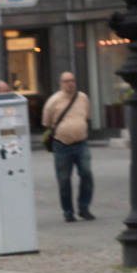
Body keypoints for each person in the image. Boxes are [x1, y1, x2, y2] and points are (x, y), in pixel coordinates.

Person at [42, 72, 94, 222]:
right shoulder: (53, 101)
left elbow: (87, 116)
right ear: (61, 83)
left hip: (81, 143)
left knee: (86, 174)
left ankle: (84, 208)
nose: (70, 83)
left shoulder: (83, 98)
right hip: (62, 145)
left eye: (72, 80)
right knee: (64, 180)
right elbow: (47, 123)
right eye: (67, 81)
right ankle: (68, 211)